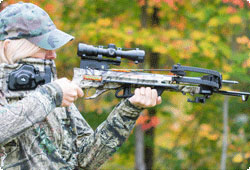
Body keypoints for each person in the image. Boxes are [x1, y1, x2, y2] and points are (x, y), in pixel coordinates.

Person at [0, 2, 162, 170]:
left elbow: (84, 160)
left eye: (53, 47)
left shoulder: (52, 93)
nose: (53, 54)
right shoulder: (51, 93)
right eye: (44, 47)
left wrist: (129, 109)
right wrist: (51, 94)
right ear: (9, 47)